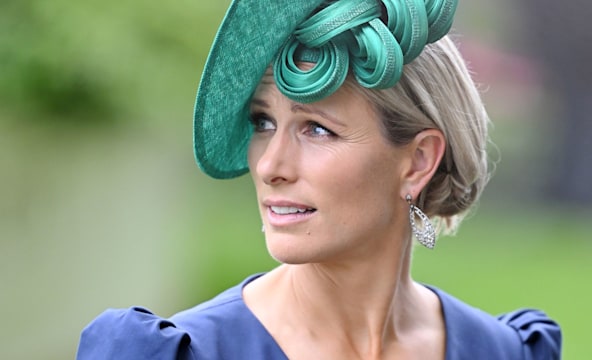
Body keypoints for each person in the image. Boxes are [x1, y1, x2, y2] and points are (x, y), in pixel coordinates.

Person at [77, 0, 562, 359]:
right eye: (264, 122)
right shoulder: (184, 353)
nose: (270, 166)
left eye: (316, 128)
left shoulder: (502, 351)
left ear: (417, 161)